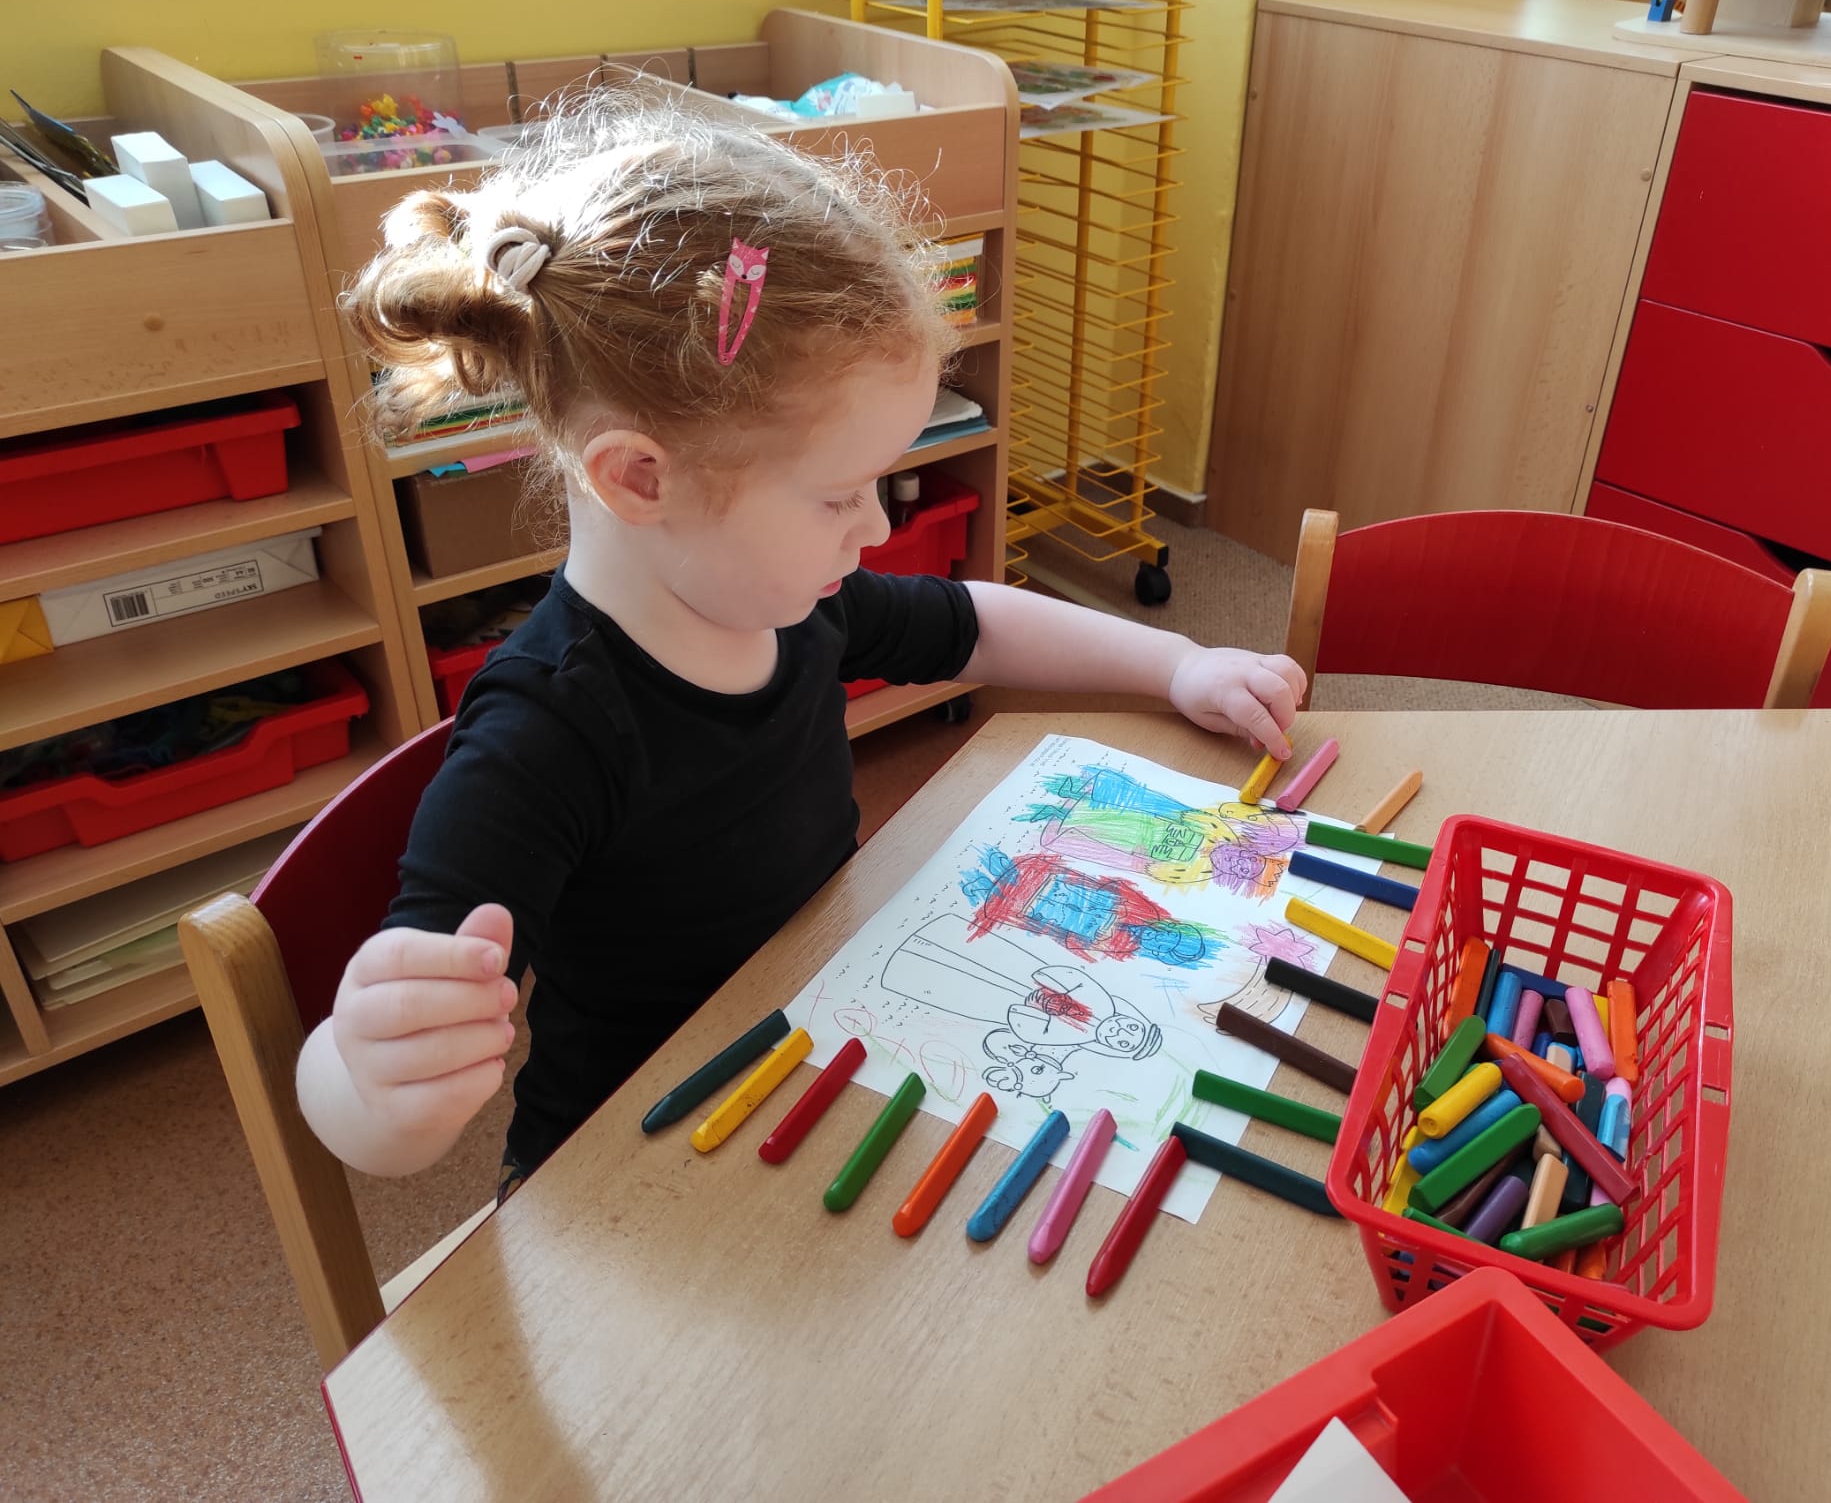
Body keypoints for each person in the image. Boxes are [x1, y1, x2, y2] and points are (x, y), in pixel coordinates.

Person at [295, 93, 1305, 1196]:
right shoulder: (544, 733)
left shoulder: (792, 605)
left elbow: (977, 623)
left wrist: (1176, 665)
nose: (875, 527)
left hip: (815, 1057)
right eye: (838, 495)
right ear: (641, 479)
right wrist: (370, 1079)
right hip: (636, 1171)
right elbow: (374, 1119)